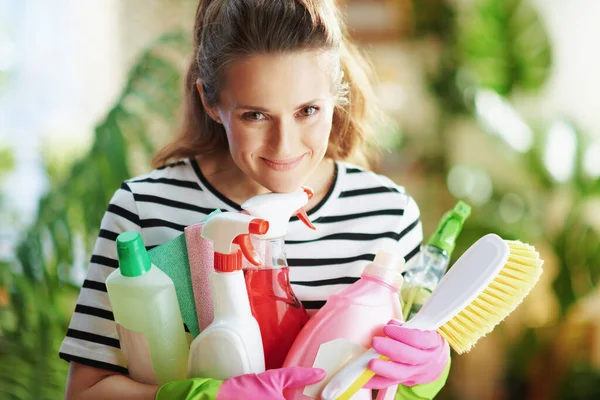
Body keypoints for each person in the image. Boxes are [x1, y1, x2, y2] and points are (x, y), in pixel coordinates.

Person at [60, 0, 450, 399]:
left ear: (337, 95)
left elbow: (392, 381)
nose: (284, 145)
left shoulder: (387, 213)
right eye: (255, 116)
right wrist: (210, 396)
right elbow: (86, 392)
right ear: (211, 103)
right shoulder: (144, 208)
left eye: (308, 110)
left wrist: (426, 372)